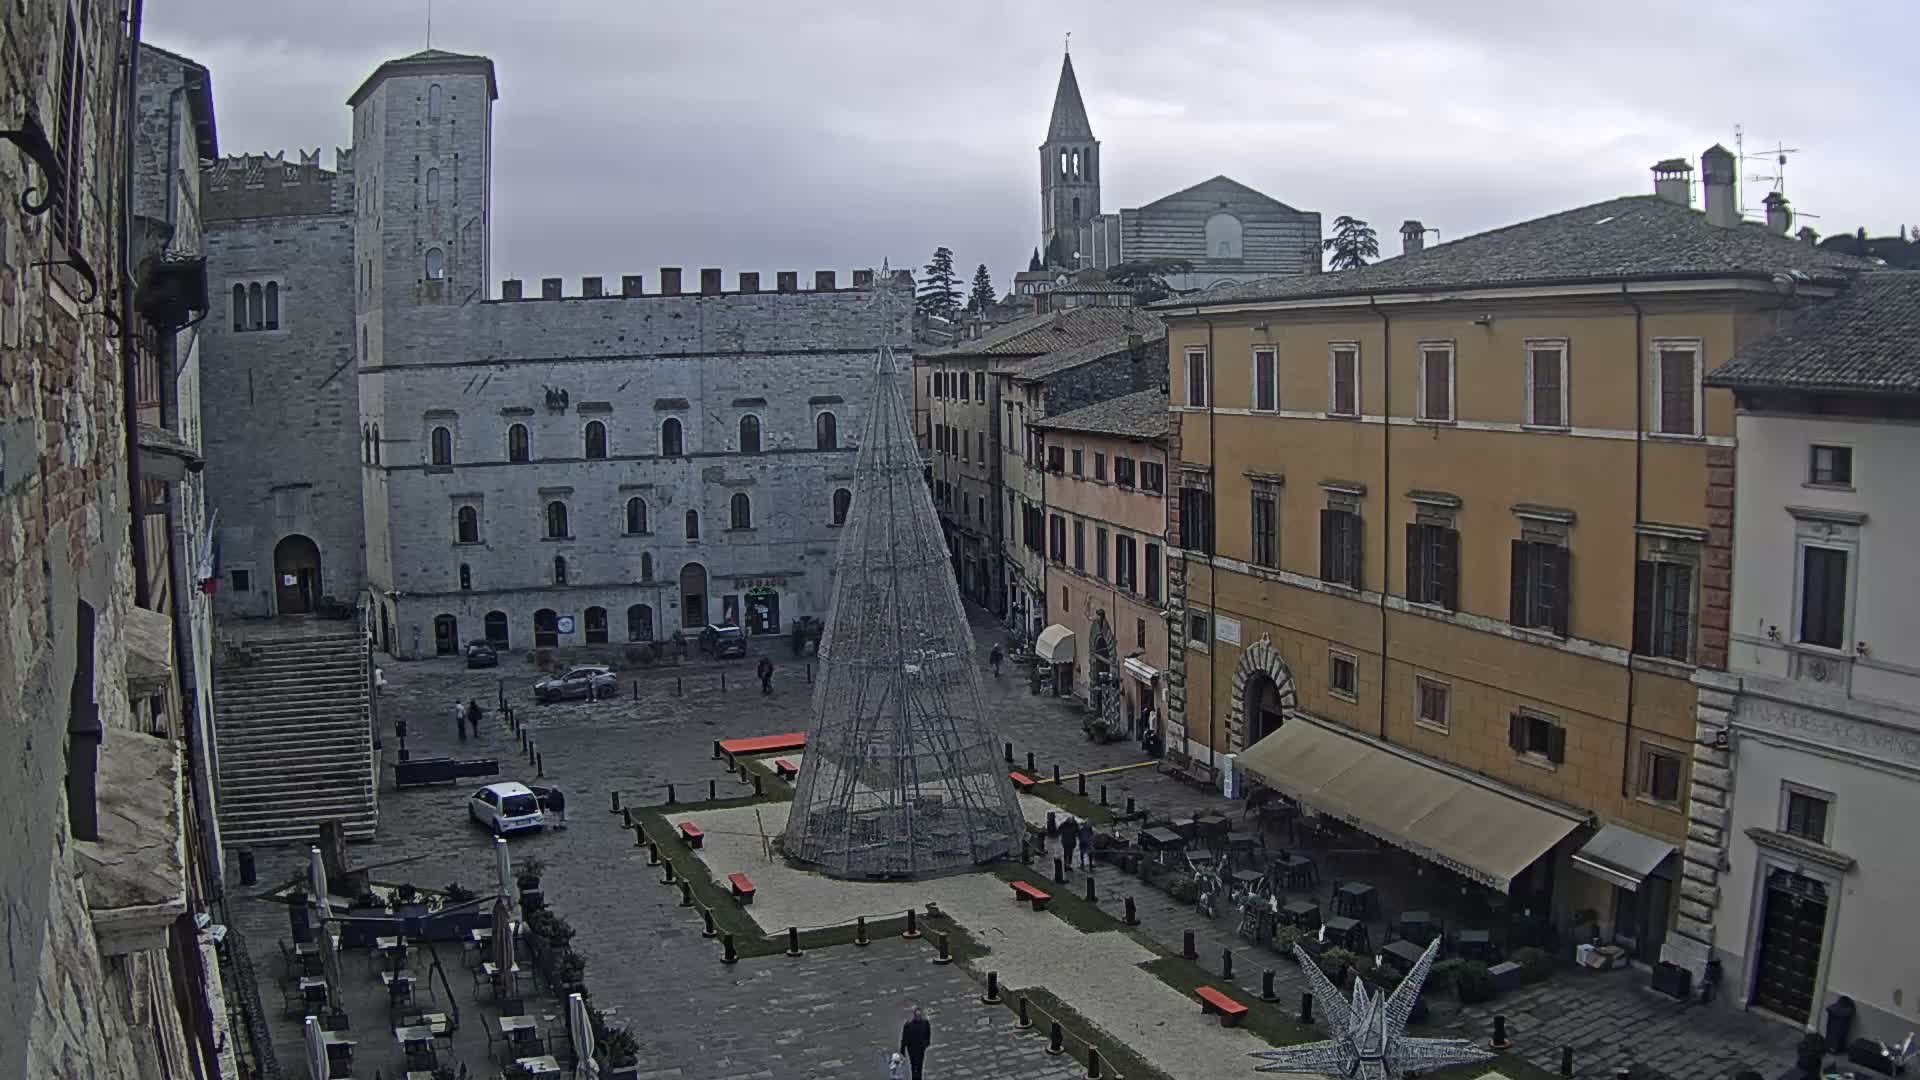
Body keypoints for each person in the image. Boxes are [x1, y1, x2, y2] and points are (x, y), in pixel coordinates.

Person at [899, 1006, 931, 1080]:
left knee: (919, 1065)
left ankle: (918, 1078)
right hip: (912, 1048)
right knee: (914, 1065)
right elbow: (904, 1038)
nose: (918, 1017)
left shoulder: (925, 1023)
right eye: (917, 1015)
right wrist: (902, 1050)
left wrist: (926, 1044)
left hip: (920, 1048)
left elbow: (928, 1034)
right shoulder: (908, 1025)